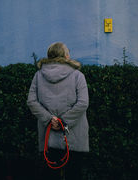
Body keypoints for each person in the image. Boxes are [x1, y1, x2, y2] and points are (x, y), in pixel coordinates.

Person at [27, 42, 89, 180]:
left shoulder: (38, 75)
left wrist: (49, 119)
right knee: (74, 173)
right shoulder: (78, 75)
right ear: (66, 56)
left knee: (49, 174)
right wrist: (63, 121)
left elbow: (31, 101)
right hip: (74, 135)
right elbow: (83, 103)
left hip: (48, 135)